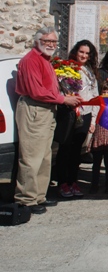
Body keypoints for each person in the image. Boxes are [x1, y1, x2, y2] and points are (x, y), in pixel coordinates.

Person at [14, 27, 81, 215]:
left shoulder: (45, 60)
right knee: (31, 156)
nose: (51, 44)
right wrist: (63, 99)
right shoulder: (31, 60)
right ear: (37, 41)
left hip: (46, 109)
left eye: (53, 41)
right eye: (47, 41)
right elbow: (36, 91)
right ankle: (26, 199)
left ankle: (39, 196)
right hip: (35, 108)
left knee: (44, 156)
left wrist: (61, 96)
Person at [56, 40, 100, 199]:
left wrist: (94, 119)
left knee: (76, 151)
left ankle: (72, 180)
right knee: (65, 149)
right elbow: (59, 90)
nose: (84, 55)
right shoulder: (65, 69)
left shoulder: (89, 71)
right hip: (69, 113)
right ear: (76, 52)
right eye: (82, 52)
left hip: (86, 113)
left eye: (87, 53)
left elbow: (95, 95)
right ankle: (62, 183)